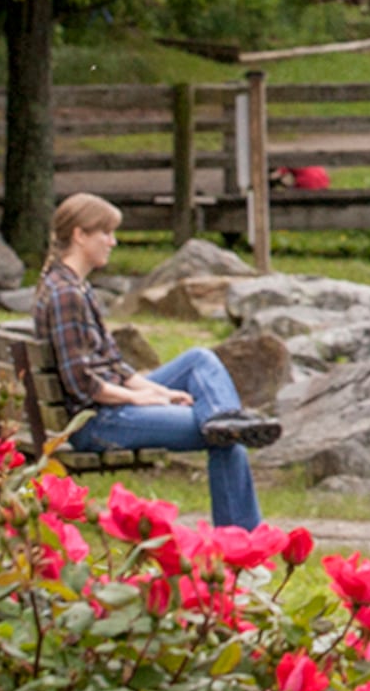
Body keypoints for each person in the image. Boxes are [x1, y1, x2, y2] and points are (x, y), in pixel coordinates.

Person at [35, 191, 281, 528]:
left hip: (106, 407)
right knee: (228, 440)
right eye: (105, 233)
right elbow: (82, 382)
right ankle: (242, 543)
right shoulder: (66, 294)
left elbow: (112, 364)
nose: (113, 241)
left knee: (200, 360)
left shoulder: (72, 286)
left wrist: (159, 393)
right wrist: (141, 397)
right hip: (97, 422)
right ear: (79, 235)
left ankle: (225, 417)